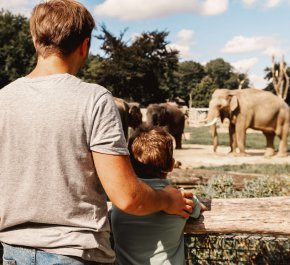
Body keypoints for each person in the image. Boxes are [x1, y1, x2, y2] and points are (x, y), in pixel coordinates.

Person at [0, 1, 194, 264]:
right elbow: (126, 197)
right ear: (85, 46)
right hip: (75, 253)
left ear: (35, 41)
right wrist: (166, 200)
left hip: (13, 252)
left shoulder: (4, 98)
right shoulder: (94, 99)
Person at [111, 127, 207, 265]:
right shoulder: (181, 198)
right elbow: (199, 209)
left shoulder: (121, 199)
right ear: (172, 165)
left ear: (130, 164)